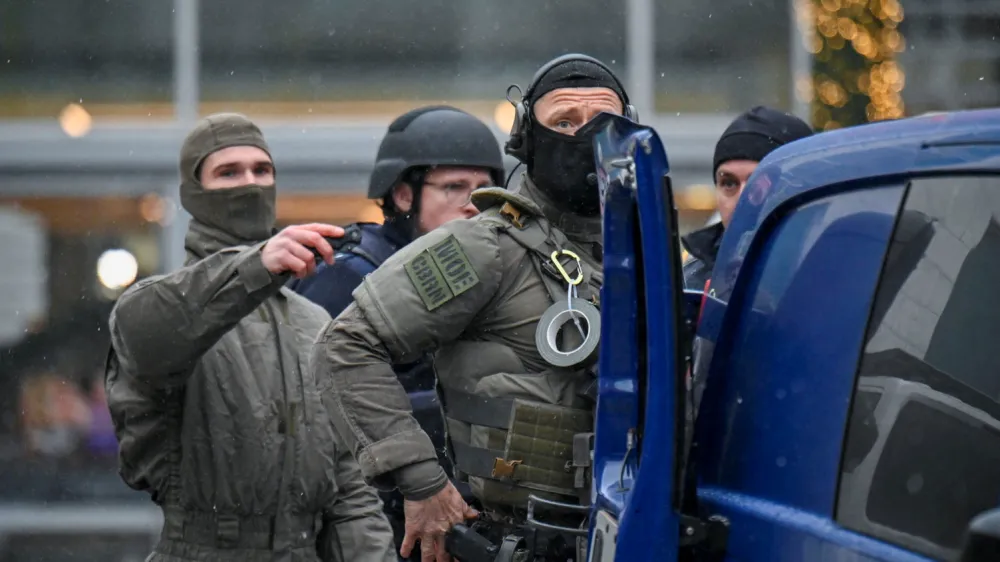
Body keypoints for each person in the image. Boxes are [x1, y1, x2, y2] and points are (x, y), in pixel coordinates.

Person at [311, 54, 635, 562]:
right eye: (564, 123)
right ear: (529, 137)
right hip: (514, 541)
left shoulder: (642, 252)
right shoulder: (483, 244)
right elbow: (345, 345)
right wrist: (422, 483)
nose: (582, 138)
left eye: (601, 123)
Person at [104, 112, 395, 562]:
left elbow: (350, 491)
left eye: (262, 170)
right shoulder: (155, 308)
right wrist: (254, 266)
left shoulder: (312, 322)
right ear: (194, 195)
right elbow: (155, 333)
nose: (250, 183)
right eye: (228, 172)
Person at [288, 105, 505, 560]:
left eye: (485, 189)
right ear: (404, 196)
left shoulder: (492, 275)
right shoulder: (344, 276)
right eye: (453, 187)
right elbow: (306, 410)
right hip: (364, 524)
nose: (473, 203)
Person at [682, 105, 814, 290]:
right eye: (729, 183)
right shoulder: (689, 285)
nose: (744, 200)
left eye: (760, 183)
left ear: (801, 190)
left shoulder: (841, 269)